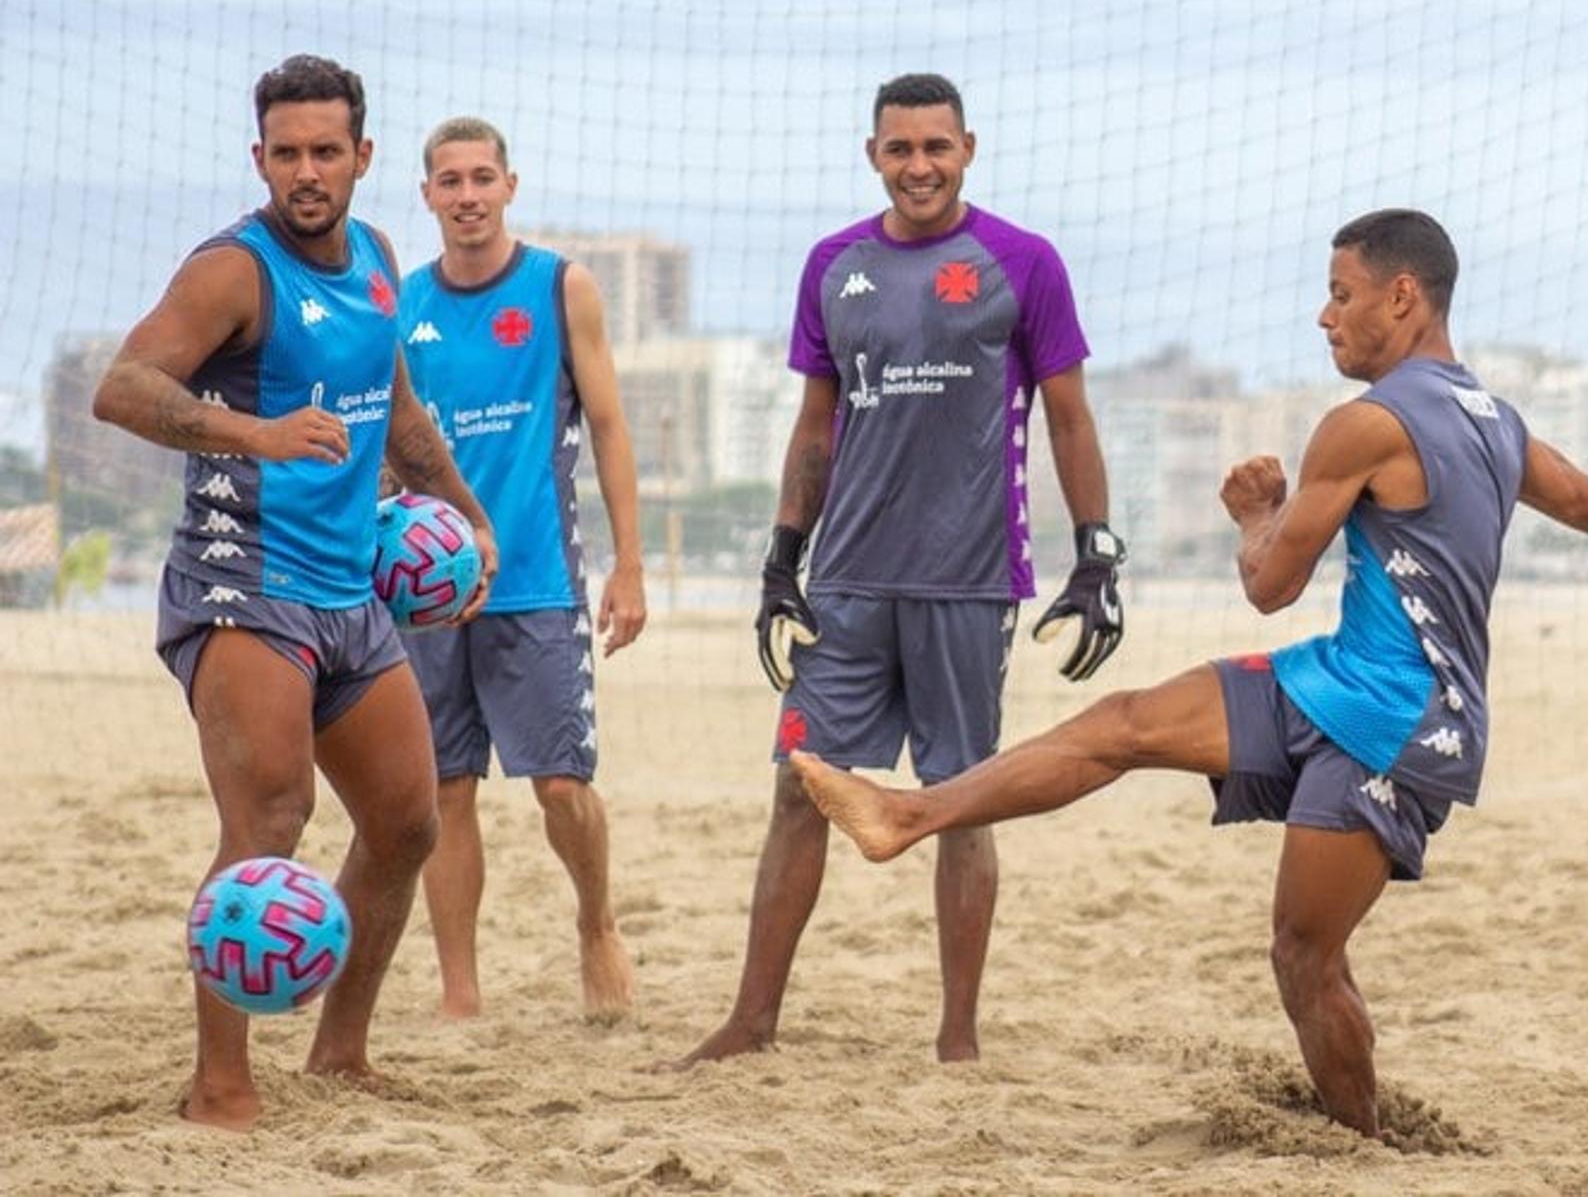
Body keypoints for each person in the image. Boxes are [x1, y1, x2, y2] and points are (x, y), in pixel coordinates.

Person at [791, 208, 1588, 1134]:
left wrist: (1254, 512)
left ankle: (1362, 1142)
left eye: (1340, 296)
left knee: (1303, 954)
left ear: (1403, 296)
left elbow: (1267, 583)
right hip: (1332, 679)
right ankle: (906, 816)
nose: (1326, 317)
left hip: (1399, 724)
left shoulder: (1364, 424)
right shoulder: (1495, 420)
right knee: (1122, 722)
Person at [674, 73, 1125, 1066]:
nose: (919, 165)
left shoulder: (1024, 262)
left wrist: (1096, 552)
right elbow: (817, 423)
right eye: (900, 149)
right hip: (847, 583)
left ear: (969, 148)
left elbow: (1071, 415)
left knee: (962, 796)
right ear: (873, 153)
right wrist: (781, 557)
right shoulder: (835, 265)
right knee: (800, 786)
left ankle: (958, 1037)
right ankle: (751, 1023)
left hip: (969, 581)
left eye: (937, 148)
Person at [91, 55, 500, 1130]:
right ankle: (220, 1083)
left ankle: (341, 1052)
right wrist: (252, 432)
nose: (307, 171)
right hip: (241, 586)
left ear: (364, 157)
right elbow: (122, 387)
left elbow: (397, 417)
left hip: (350, 590)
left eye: (327, 151)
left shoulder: (375, 254)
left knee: (408, 824)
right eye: (287, 153)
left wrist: (467, 515)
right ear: (259, 157)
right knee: (270, 815)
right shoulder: (233, 270)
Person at [395, 116, 648, 1020]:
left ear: (510, 185)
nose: (466, 195)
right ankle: (460, 992)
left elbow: (610, 428)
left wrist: (629, 566)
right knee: (444, 789)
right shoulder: (400, 303)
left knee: (559, 785)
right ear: (426, 194)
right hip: (427, 593)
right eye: (449, 181)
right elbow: (387, 447)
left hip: (538, 578)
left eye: (481, 178)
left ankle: (596, 922)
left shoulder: (558, 287)